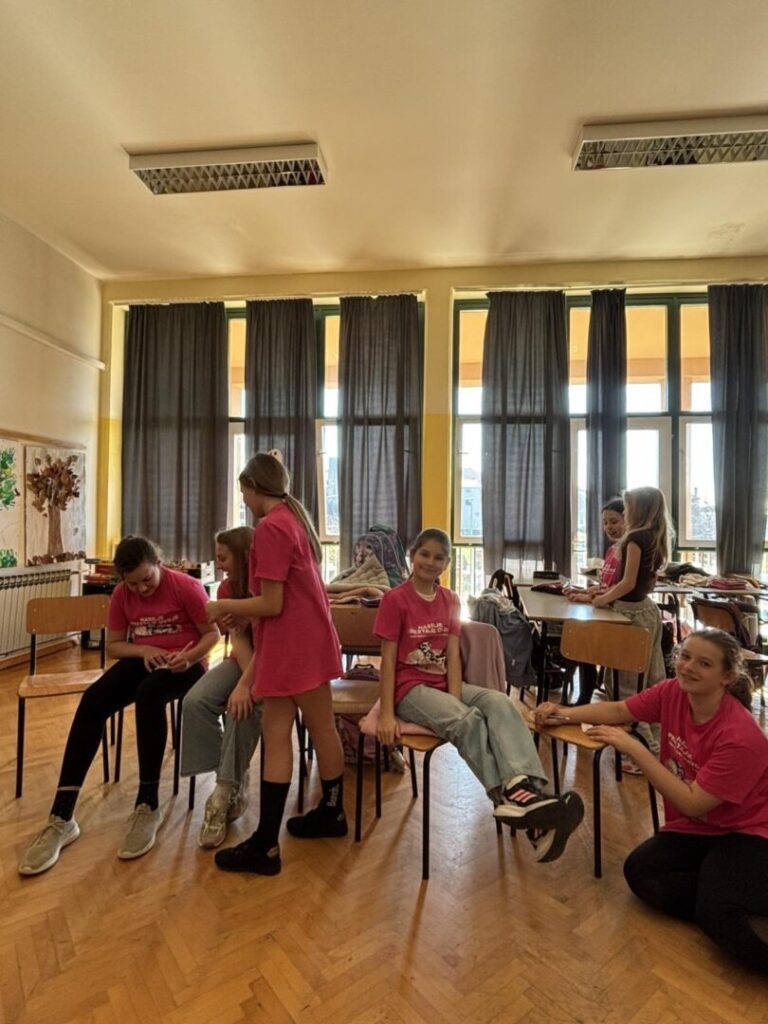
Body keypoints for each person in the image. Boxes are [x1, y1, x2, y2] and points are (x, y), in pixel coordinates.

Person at [535, 629, 768, 973]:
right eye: (685, 656)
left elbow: (692, 803)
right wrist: (563, 713)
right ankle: (725, 894)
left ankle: (724, 902)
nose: (688, 667)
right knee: (641, 874)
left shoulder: (741, 736)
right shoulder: (673, 692)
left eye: (704, 664)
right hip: (701, 829)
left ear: (727, 677)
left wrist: (634, 749)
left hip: (750, 833)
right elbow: (619, 709)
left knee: (720, 916)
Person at [374, 528, 584, 863]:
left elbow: (452, 654)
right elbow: (387, 660)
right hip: (409, 689)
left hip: (443, 683)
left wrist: (456, 695)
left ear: (447, 563)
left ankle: (525, 796)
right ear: (412, 555)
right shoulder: (395, 600)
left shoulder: (449, 599)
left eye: (439, 557)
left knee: (499, 701)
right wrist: (386, 713)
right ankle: (519, 802)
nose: (430, 562)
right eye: (424, 554)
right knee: (468, 721)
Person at [19, 536, 219, 875]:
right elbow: (114, 646)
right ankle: (62, 815)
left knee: (149, 694)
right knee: (93, 700)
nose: (141, 589)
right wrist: (144, 650)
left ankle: (147, 804)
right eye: (132, 583)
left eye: (147, 579)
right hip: (146, 660)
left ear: (158, 563)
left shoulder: (186, 587)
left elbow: (212, 634)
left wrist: (189, 657)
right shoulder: (122, 595)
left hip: (187, 664)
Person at [207, 453, 345, 876]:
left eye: (243, 492)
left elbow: (272, 603)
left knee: (279, 734)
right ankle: (330, 813)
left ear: (252, 487)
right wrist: (242, 615)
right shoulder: (293, 519)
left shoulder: (270, 527)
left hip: (292, 647)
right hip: (306, 641)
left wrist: (222, 606)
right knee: (313, 728)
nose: (243, 500)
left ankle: (267, 844)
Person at [180, 526, 262, 849]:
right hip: (245, 661)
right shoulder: (227, 589)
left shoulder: (266, 588)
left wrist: (246, 687)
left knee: (241, 709)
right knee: (195, 701)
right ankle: (233, 777)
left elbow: (272, 647)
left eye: (223, 558)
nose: (219, 565)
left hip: (275, 664)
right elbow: (240, 641)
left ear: (243, 557)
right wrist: (244, 682)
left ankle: (224, 793)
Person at [565, 497, 625, 703]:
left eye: (614, 521)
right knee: (580, 635)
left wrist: (590, 598)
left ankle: (584, 697)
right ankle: (583, 695)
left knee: (584, 640)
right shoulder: (611, 551)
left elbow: (619, 589)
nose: (609, 527)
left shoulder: (626, 552)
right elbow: (606, 586)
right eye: (605, 522)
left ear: (627, 520)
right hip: (602, 611)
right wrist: (586, 593)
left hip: (615, 616)